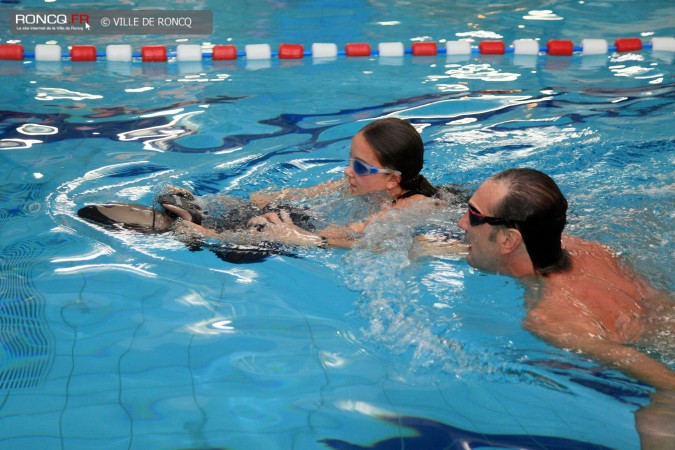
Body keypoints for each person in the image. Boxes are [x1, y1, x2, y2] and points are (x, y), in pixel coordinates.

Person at [452, 168, 674, 449]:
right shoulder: (591, 250)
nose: (461, 223)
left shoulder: (549, 319)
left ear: (509, 240)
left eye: (473, 215)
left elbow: (667, 381)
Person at [78, 118, 449, 255]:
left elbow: (353, 237)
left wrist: (294, 237)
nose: (348, 171)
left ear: (393, 179)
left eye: (360, 165)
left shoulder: (414, 207)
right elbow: (285, 196)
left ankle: (200, 234)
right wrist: (225, 201)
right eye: (349, 159)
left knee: (270, 232)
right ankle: (199, 216)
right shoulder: (363, 184)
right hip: (325, 226)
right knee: (266, 213)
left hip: (341, 239)